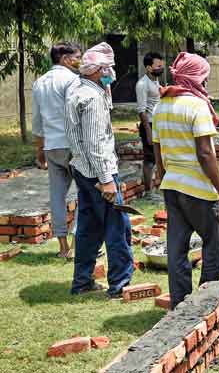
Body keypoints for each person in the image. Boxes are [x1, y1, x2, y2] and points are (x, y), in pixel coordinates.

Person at [152, 52, 219, 309]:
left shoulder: (161, 105)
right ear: (195, 77)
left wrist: (162, 176)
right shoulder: (196, 106)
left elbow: (158, 149)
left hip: (172, 187)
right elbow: (206, 153)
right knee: (214, 245)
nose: (206, 83)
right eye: (204, 78)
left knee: (176, 249)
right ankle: (204, 303)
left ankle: (180, 304)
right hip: (197, 188)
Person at [65, 42, 133, 297]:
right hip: (97, 172)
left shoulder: (80, 90)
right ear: (96, 70)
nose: (112, 73)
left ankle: (82, 282)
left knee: (89, 227)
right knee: (117, 227)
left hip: (81, 169)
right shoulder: (92, 98)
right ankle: (120, 284)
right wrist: (106, 180)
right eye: (108, 69)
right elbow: (95, 143)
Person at [32, 42, 81, 259]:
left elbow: (37, 121)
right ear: (65, 58)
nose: (80, 60)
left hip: (51, 145)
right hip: (73, 145)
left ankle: (63, 248)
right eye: (77, 57)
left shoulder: (39, 82)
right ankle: (78, 244)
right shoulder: (73, 80)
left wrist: (39, 151)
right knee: (86, 194)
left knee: (57, 197)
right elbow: (76, 114)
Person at [136, 52, 165, 202]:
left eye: (162, 65)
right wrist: (148, 132)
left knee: (159, 157)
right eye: (158, 66)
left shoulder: (156, 81)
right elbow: (141, 111)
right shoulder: (142, 84)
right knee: (149, 159)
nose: (161, 68)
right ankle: (148, 192)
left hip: (158, 123)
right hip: (149, 124)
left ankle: (158, 188)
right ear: (148, 68)